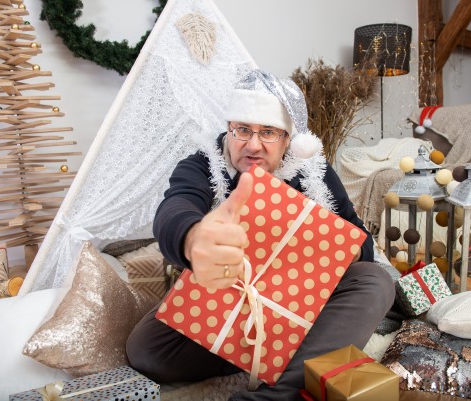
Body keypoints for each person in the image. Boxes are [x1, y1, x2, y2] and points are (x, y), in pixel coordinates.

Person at [126, 69, 395, 401]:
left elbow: (361, 239)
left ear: (288, 139)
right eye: (242, 130)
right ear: (229, 129)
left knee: (375, 280)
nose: (253, 146)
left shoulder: (314, 173)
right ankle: (279, 354)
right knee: (146, 350)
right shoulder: (202, 166)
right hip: (226, 302)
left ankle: (277, 394)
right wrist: (194, 238)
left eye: (268, 132)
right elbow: (175, 208)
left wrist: (336, 247)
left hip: (301, 303)